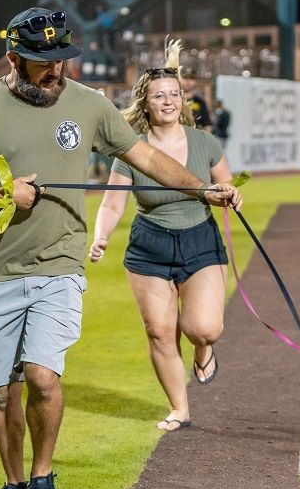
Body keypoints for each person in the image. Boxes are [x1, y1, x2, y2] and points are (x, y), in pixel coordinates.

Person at [0, 8, 241, 489]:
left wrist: (201, 188)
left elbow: (145, 158)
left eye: (61, 61)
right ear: (14, 58)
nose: (57, 72)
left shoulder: (89, 104)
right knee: (4, 390)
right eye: (43, 63)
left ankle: (43, 476)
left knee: (43, 377)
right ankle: (12, 484)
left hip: (59, 266)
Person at [89, 39, 233, 433]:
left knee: (204, 327)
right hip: (149, 245)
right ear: (145, 102)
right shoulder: (131, 151)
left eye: (174, 94)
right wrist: (101, 236)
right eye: (159, 96)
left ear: (182, 99)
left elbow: (226, 186)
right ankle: (179, 408)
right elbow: (112, 203)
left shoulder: (205, 142)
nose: (168, 101)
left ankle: (204, 351)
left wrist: (231, 195)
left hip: (200, 240)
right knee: (159, 331)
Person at [181, 67, 213, 132]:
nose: (188, 81)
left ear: (195, 81)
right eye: (185, 78)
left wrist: (204, 140)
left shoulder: (200, 102)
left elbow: (207, 126)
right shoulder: (173, 101)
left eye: (191, 78)